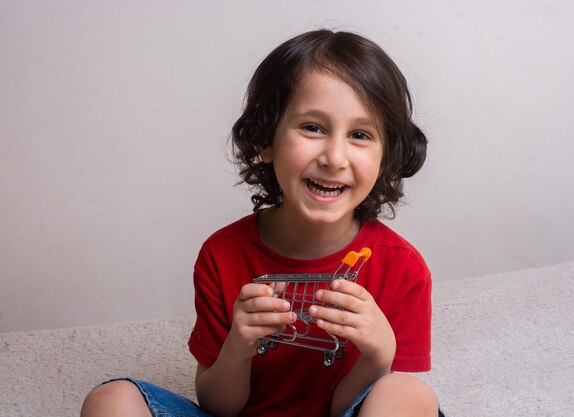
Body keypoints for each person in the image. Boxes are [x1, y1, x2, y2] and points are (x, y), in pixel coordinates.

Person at [81, 29, 443, 417]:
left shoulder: (403, 269)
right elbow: (220, 406)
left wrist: (378, 354)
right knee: (111, 400)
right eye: (313, 127)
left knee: (407, 393)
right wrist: (238, 347)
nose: (335, 157)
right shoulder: (221, 254)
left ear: (386, 157)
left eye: (360, 134)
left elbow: (350, 407)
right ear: (265, 139)